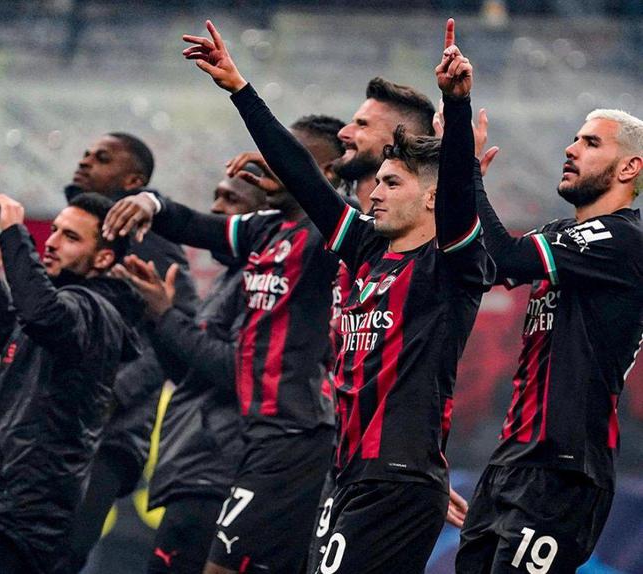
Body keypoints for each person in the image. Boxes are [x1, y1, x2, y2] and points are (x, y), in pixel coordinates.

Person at [172, 17, 492, 573]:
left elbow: (460, 192)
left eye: (393, 184)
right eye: (378, 181)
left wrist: (456, 106)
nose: (376, 194)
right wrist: (239, 89)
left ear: (433, 198)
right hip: (349, 471)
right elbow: (303, 175)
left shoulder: (451, 265)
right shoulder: (366, 248)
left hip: (396, 480)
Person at [103, 115, 347, 573]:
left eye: (287, 158)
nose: (271, 166)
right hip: (249, 439)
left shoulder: (329, 238)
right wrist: (151, 202)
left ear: (326, 173)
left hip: (287, 437)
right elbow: (190, 223)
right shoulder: (263, 234)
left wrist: (167, 316)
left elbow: (230, 367)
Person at [455, 105, 643, 570]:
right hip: (509, 459)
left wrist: (467, 173)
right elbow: (487, 263)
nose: (571, 149)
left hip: (564, 467)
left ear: (629, 168)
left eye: (591, 142)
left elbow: (507, 255)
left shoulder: (624, 240)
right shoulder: (561, 234)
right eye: (575, 139)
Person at [0, 192, 142, 574]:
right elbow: (19, 347)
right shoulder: (76, 311)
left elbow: (42, 317)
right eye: (53, 231)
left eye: (70, 237)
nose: (51, 242)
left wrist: (14, 232)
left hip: (17, 513)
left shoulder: (92, 308)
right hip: (10, 508)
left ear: (103, 259)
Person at [62, 133, 199, 571]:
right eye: (86, 154)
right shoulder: (74, 236)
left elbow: (176, 329)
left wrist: (110, 393)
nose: (85, 162)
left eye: (102, 158)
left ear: (133, 182)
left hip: (108, 435)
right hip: (54, 424)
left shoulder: (150, 240)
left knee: (65, 552)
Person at [141, 168, 267, 574]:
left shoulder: (264, 282)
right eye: (216, 196)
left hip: (220, 473)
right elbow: (191, 375)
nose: (215, 208)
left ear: (263, 216)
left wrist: (167, 318)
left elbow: (236, 371)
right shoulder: (233, 276)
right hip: (198, 469)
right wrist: (158, 318)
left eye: (231, 199)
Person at [333, 76, 436, 213]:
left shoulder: (435, 223)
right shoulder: (337, 217)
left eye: (362, 124)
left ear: (402, 137)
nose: (342, 133)